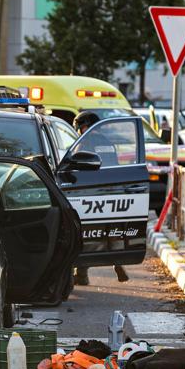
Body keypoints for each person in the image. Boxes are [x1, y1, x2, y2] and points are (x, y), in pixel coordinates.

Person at [72, 111, 129, 285]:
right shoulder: (108, 142)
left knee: (85, 233)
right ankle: (118, 261)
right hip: (110, 190)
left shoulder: (84, 142)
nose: (79, 131)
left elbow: (75, 165)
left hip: (89, 191)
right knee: (112, 230)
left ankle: (81, 274)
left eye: (80, 128)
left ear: (85, 126)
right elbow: (115, 165)